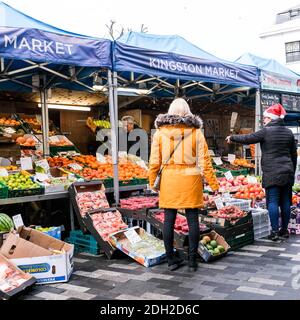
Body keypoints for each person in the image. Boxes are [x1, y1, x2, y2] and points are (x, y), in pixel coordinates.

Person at [149, 98, 219, 271]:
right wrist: (214, 185)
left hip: (169, 180)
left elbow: (154, 162)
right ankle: (193, 260)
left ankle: (172, 260)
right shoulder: (196, 133)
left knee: (169, 219)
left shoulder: (159, 134)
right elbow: (205, 162)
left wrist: (152, 183)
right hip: (191, 179)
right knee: (192, 218)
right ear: (188, 112)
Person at [226, 104, 297, 241]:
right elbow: (293, 155)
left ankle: (275, 231)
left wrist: (232, 137)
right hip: (287, 172)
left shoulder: (266, 131)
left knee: (273, 202)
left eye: (265, 118)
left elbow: (248, 138)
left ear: (271, 118)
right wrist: (292, 172)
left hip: (272, 172)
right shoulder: (289, 133)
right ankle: (284, 230)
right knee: (286, 202)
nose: (263, 120)